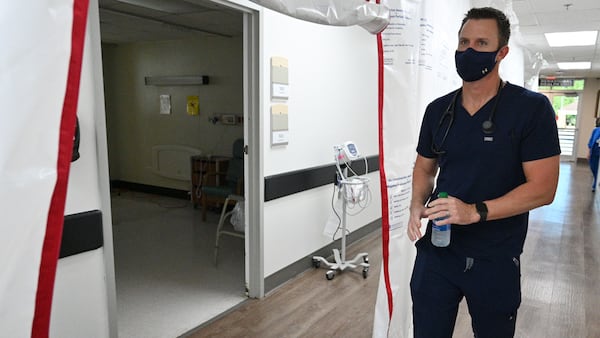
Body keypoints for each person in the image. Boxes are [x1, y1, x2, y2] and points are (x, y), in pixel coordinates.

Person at [406, 7, 561, 338]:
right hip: (439, 251)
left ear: (501, 52)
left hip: (495, 258)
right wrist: (416, 203)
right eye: (463, 42)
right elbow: (424, 166)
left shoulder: (531, 110)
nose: (469, 51)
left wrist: (474, 212)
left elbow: (544, 189)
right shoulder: (438, 111)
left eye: (481, 43)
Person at [587, 117, 600, 192]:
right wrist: (589, 152)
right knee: (593, 166)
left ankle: (596, 183)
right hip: (594, 151)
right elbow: (591, 141)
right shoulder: (595, 130)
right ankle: (596, 179)